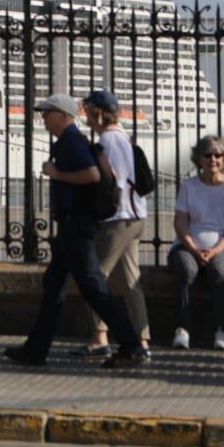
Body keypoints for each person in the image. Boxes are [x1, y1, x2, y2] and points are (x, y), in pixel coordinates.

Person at [5, 94, 146, 369]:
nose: (43, 117)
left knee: (93, 287)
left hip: (77, 225)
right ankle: (36, 349)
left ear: (63, 115)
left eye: (48, 112)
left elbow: (92, 175)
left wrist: (56, 174)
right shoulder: (68, 141)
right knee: (53, 286)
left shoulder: (71, 141)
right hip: (70, 225)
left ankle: (131, 346)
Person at [72, 89, 150, 357]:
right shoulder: (124, 138)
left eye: (88, 111)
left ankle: (100, 336)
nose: (85, 116)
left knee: (95, 277)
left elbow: (112, 181)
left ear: (98, 113)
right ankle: (142, 340)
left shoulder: (108, 141)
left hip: (119, 218)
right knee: (131, 280)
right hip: (137, 215)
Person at [168, 134, 224, 351]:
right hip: (187, 246)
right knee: (186, 269)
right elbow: (180, 222)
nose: (213, 160)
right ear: (198, 159)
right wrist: (193, 248)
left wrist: (216, 250)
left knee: (220, 270)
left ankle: (222, 330)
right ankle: (182, 329)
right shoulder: (189, 187)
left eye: (218, 155)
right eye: (207, 155)